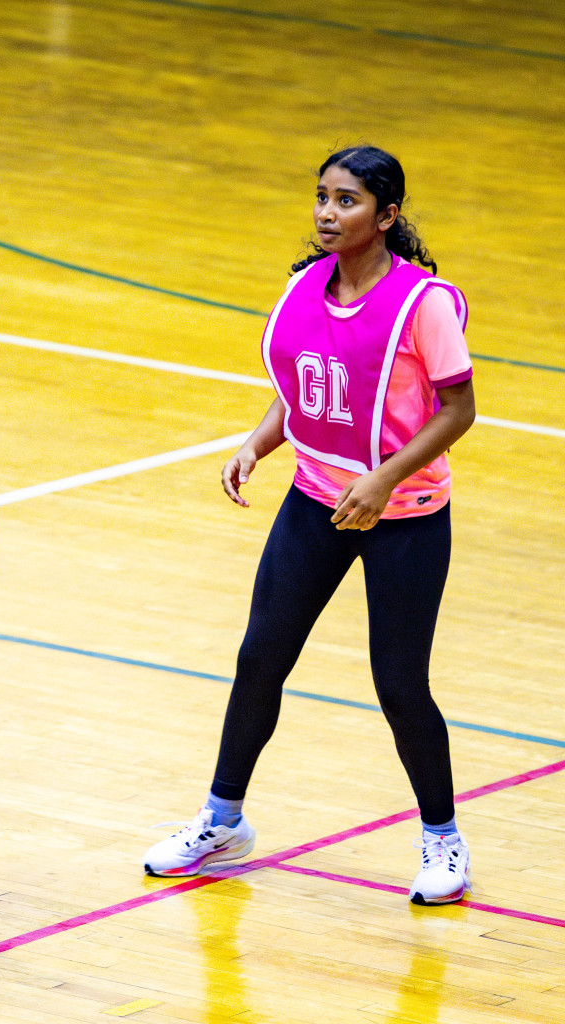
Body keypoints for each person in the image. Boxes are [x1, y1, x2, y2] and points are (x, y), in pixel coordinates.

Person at [143, 146, 477, 906]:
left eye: (348, 201)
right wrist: (256, 443)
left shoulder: (421, 305)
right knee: (260, 658)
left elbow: (460, 410)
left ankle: (443, 839)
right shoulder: (302, 289)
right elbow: (304, 389)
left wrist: (383, 480)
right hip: (317, 499)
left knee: (399, 685)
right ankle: (223, 821)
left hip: (407, 514)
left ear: (386, 216)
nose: (328, 212)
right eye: (322, 197)